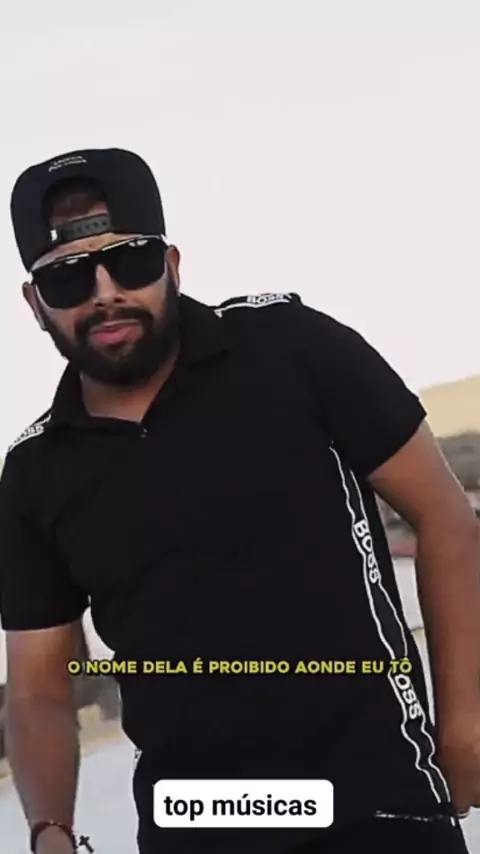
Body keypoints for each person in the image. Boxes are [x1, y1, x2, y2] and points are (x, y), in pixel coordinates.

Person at [0, 147, 479, 854]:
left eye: (130, 260)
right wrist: (50, 829)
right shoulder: (34, 472)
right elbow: (37, 688)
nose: (104, 293)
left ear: (172, 265)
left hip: (380, 806)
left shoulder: (291, 348)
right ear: (35, 303)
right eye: (67, 276)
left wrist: (464, 724)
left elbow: (445, 518)